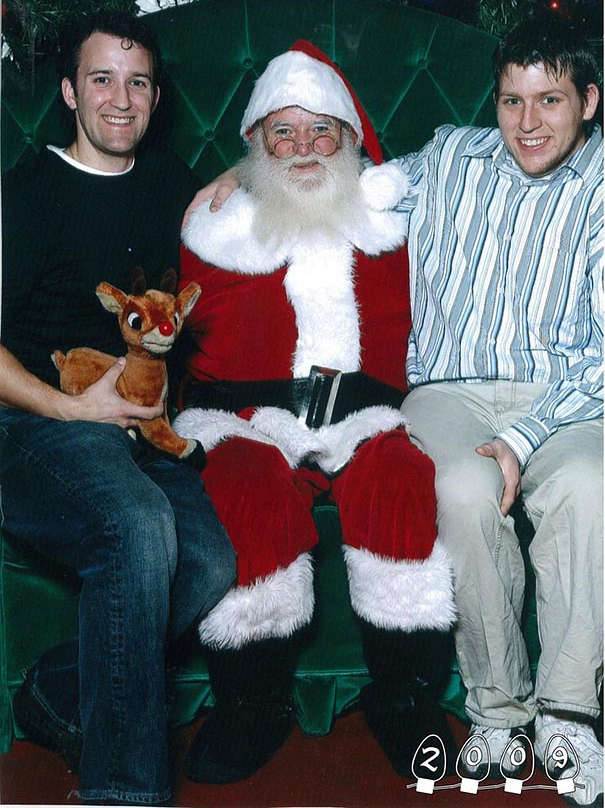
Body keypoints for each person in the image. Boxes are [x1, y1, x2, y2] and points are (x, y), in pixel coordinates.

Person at [194, 14, 603, 805]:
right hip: (450, 390)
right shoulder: (449, 156)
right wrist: (246, 173)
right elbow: (331, 175)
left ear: (588, 101)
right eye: (510, 100)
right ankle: (497, 712)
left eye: (549, 101)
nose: (526, 123)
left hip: (569, 398)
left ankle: (567, 715)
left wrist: (523, 438)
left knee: (589, 488)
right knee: (457, 487)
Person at [173, 39, 457, 786]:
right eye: (283, 132)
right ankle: (251, 702)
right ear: (255, 143)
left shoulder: (392, 218)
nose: (303, 147)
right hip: (245, 418)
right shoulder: (213, 227)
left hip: (364, 417)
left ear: (350, 138)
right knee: (243, 483)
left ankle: (404, 698)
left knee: (399, 476)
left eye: (320, 130)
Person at [0, 11, 236, 805]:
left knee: (209, 564)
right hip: (33, 424)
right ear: (70, 92)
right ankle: (122, 794)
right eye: (101, 79)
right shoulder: (25, 195)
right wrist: (67, 411)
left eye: (138, 82)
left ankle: (55, 694)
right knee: (137, 527)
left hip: (136, 427)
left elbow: (232, 213)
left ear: (157, 96)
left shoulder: (167, 181)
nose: (121, 99)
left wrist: (250, 176)